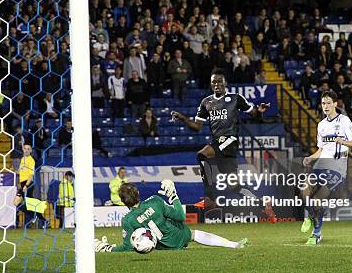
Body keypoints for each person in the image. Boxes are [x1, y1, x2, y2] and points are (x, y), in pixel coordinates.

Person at [171, 68, 269, 207]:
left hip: (230, 140)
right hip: (219, 144)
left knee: (202, 155)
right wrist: (182, 118)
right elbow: (196, 127)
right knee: (234, 187)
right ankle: (263, 204)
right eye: (213, 82)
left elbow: (254, 114)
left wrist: (259, 112)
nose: (216, 85)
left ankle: (209, 198)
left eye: (219, 82)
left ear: (225, 83)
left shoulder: (235, 98)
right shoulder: (206, 102)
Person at [94, 181, 247, 252]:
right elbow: (181, 216)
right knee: (193, 234)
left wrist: (108, 248)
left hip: (163, 247)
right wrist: (174, 196)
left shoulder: (128, 220)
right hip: (178, 235)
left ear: (122, 201)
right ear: (138, 193)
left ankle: (232, 245)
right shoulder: (154, 201)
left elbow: (128, 247)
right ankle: (232, 244)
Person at [301, 90, 352, 245]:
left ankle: (316, 234)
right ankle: (310, 217)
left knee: (319, 197)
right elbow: (321, 150)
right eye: (323, 103)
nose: (325, 106)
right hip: (321, 165)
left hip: (337, 168)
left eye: (328, 103)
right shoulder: (321, 125)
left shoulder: (344, 121)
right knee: (305, 189)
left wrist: (343, 142)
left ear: (335, 103)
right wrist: (310, 157)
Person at [14, 143, 35, 210]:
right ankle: (37, 217)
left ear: (31, 150)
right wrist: (13, 171)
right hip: (23, 183)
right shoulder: (23, 159)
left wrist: (26, 185)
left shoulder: (31, 160)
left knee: (16, 202)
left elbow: (31, 175)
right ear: (23, 149)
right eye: (25, 148)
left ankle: (37, 217)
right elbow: (20, 172)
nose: (26, 150)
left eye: (28, 149)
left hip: (28, 183)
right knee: (29, 204)